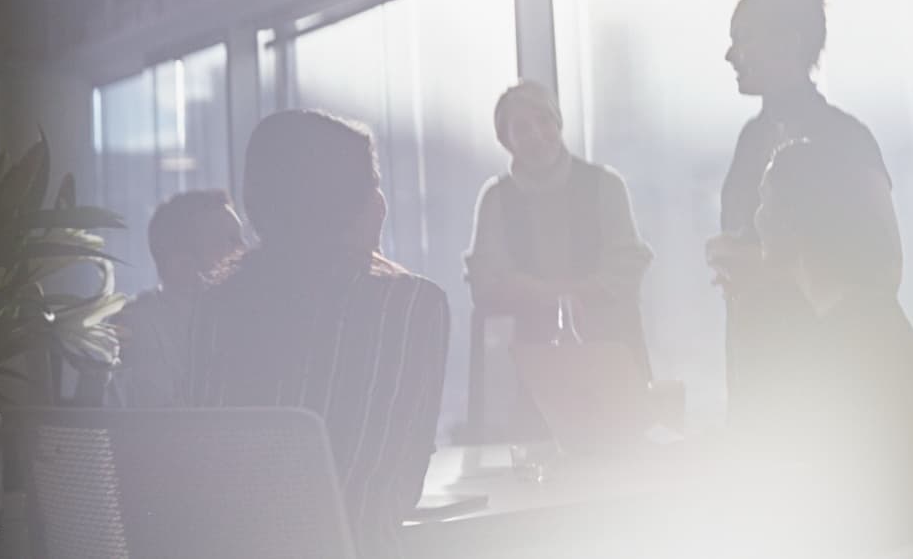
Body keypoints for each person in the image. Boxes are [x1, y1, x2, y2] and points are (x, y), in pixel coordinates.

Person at [188, 110, 449, 559]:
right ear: (351, 202)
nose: (382, 201)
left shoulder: (213, 308)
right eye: (372, 183)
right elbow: (402, 488)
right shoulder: (408, 306)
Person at [706, 0, 901, 426]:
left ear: (789, 41)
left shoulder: (844, 138)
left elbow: (885, 269)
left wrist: (760, 265)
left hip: (827, 385)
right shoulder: (751, 139)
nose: (730, 54)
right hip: (759, 371)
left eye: (743, 38)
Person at [745, 138, 913, 554]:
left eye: (767, 202)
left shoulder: (846, 347)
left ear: (800, 218)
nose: (756, 219)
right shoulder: (877, 323)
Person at [465, 81, 654, 377]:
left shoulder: (607, 186)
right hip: (527, 366)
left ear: (559, 122)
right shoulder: (495, 199)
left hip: (609, 357)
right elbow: (487, 284)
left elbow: (624, 272)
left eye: (543, 121)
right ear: (506, 140)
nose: (537, 136)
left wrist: (540, 293)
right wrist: (565, 296)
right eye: (522, 128)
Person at [112, 189, 244, 407]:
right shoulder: (137, 325)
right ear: (181, 262)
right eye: (230, 241)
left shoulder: (238, 317)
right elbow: (160, 421)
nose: (243, 249)